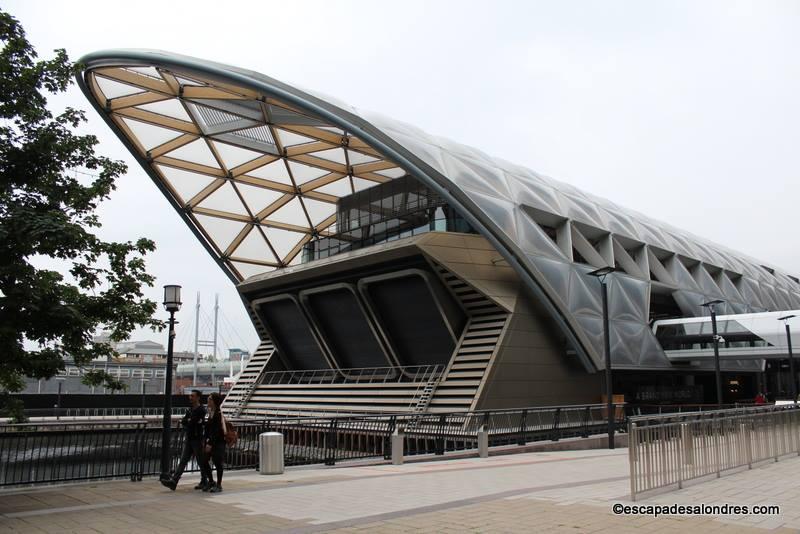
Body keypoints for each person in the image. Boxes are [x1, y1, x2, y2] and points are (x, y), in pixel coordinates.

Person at [162, 390, 211, 491]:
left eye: (192, 396)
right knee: (183, 460)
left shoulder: (201, 410)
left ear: (198, 397)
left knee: (201, 461)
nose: (190, 397)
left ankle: (205, 481)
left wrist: (188, 421)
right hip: (189, 438)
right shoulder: (191, 409)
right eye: (190, 396)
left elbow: (192, 422)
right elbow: (185, 421)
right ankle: (174, 481)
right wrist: (188, 421)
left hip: (197, 439)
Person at [203, 392, 226, 493]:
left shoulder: (217, 414)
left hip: (218, 442)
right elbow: (209, 429)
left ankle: (219, 484)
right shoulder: (211, 412)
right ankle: (211, 481)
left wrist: (210, 443)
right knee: (204, 461)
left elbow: (216, 431)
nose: (208, 400)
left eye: (210, 399)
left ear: (215, 401)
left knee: (217, 463)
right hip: (211, 441)